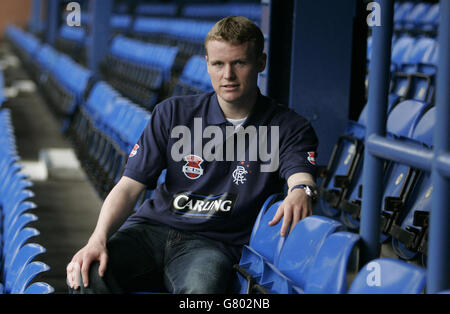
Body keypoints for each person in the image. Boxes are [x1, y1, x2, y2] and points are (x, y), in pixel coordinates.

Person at [66, 16, 318, 294]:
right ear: (207, 64)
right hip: (150, 230)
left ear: (260, 63)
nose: (228, 75)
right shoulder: (173, 113)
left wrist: (300, 190)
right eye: (218, 64)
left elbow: (300, 177)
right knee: (87, 273)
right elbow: (128, 187)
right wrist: (97, 238)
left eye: (239, 63)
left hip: (212, 245)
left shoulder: (288, 126)